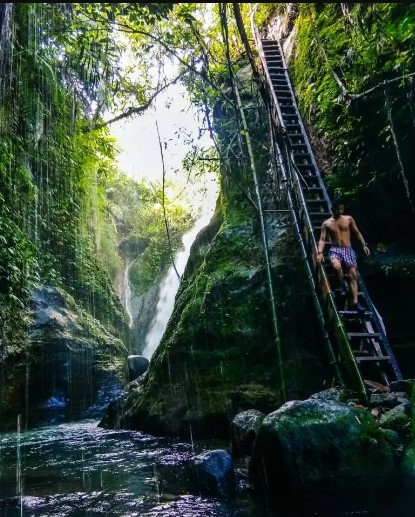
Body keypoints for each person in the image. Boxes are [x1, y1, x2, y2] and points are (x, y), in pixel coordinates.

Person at [316, 197, 370, 313]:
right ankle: (342, 286)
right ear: (332, 209)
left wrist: (364, 245)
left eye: (341, 209)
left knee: (353, 275)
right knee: (336, 266)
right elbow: (322, 239)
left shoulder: (348, 219)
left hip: (348, 249)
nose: (340, 211)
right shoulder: (327, 223)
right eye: (337, 209)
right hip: (335, 249)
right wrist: (319, 253)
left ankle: (355, 303)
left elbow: (356, 232)